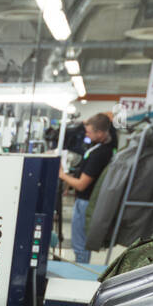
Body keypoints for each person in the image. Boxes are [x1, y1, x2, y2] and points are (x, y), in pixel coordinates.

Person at [58, 113, 114, 264]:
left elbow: (82, 184)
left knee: (80, 245)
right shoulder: (101, 147)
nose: (86, 134)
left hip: (86, 203)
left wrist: (62, 175)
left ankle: (78, 275)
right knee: (81, 244)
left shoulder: (99, 154)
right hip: (86, 201)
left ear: (100, 133)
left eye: (89, 132)